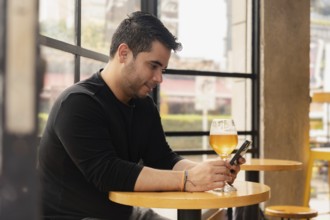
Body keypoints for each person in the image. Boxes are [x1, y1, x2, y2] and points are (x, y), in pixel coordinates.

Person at [38, 11, 245, 220]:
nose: (159, 78)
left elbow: (163, 158)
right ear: (124, 53)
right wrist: (187, 179)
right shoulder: (78, 103)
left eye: (162, 69)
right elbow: (107, 173)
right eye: (153, 66)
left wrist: (211, 173)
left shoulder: (144, 105)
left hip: (126, 214)